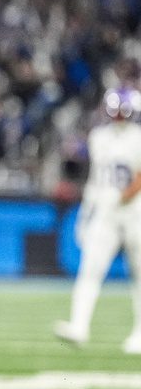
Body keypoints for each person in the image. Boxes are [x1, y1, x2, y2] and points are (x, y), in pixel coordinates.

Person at [55, 87, 141, 353]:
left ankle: (139, 333)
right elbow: (94, 180)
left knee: (139, 275)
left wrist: (124, 197)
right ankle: (79, 326)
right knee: (90, 270)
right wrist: (86, 213)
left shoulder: (138, 138)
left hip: (135, 212)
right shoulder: (98, 137)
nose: (118, 116)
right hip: (105, 212)